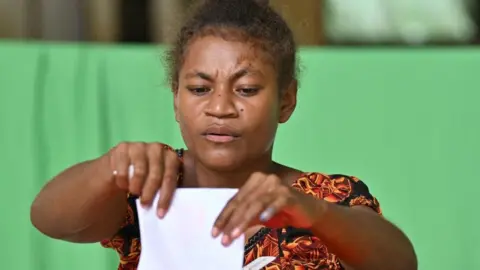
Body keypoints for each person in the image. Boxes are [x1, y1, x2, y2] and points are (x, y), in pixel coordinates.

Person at [30, 0, 417, 269]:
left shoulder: (323, 198)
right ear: (176, 99)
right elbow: (49, 219)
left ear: (286, 101)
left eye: (246, 89)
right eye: (199, 89)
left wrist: (314, 214)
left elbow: (399, 263)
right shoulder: (149, 189)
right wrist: (111, 169)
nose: (220, 107)